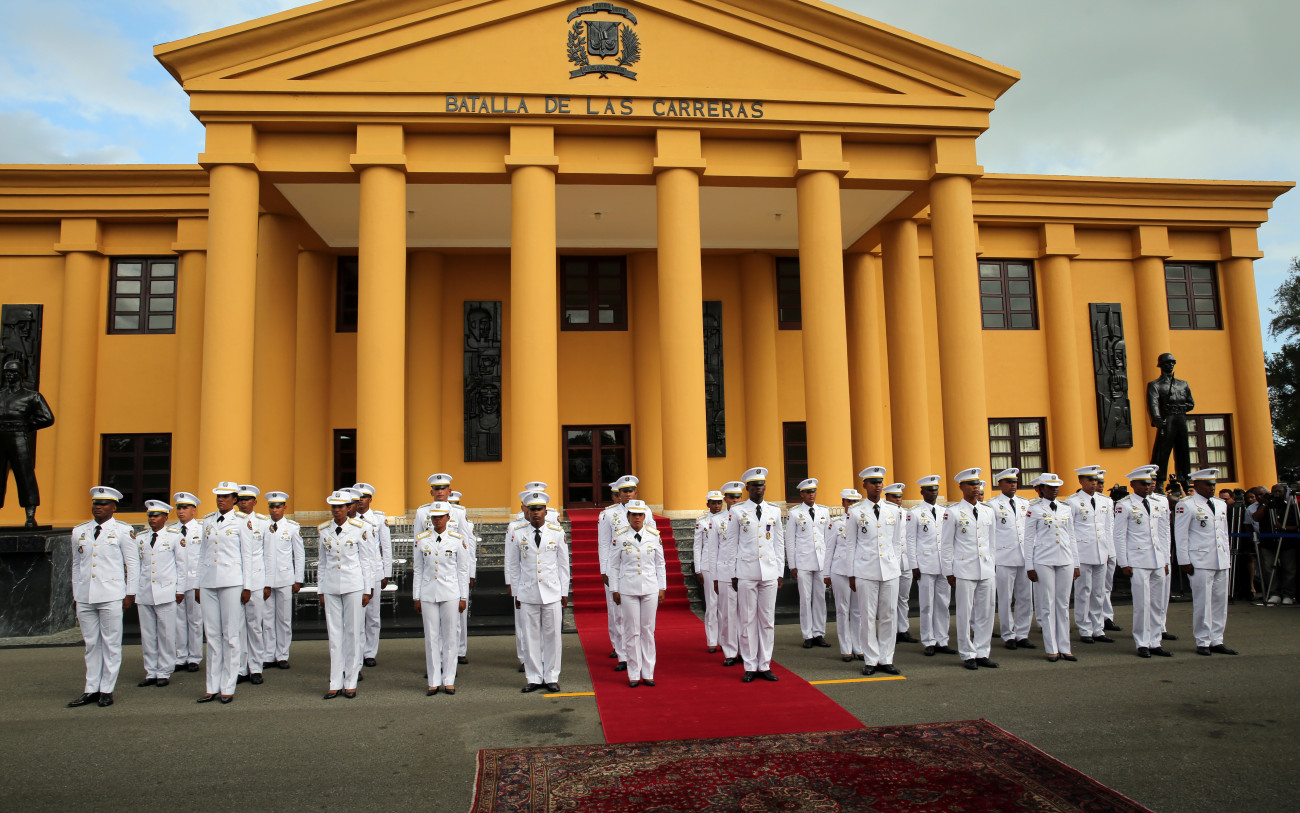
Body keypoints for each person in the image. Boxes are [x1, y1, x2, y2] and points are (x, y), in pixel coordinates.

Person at [67, 486, 138, 708]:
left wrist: (130, 593)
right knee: (91, 644)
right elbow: (76, 565)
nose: (98, 507)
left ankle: (107, 689)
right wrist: (76, 594)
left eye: (104, 503)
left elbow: (132, 564)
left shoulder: (123, 531)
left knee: (111, 643)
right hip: (85, 595)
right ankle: (91, 689)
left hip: (111, 594)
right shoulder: (79, 531)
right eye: (96, 503)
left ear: (114, 507)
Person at [722, 467, 785, 683]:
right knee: (747, 620)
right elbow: (732, 544)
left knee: (767, 620)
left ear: (765, 487)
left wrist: (779, 572)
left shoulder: (773, 511)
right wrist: (733, 573)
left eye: (761, 485)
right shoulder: (737, 511)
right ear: (747, 488)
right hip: (746, 571)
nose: (759, 489)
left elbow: (778, 543)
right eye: (755, 486)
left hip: (769, 571)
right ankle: (749, 665)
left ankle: (764, 664)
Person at [196, 482, 254, 704]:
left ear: (234, 499)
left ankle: (228, 686)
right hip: (209, 580)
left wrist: (247, 586)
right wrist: (198, 584)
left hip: (231, 581)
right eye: (218, 496)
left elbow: (247, 555)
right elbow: (202, 553)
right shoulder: (208, 520)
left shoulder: (241, 521)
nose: (221, 500)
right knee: (212, 635)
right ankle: (212, 686)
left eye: (225, 496)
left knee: (230, 635)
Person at [507, 491, 570, 693]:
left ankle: (551, 676)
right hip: (527, 592)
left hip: (552, 591)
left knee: (553, 637)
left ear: (545, 511)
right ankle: (534, 677)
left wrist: (564, 591)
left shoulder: (557, 532)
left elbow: (563, 565)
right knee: (530, 637)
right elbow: (514, 565)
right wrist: (516, 593)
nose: (536, 513)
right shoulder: (518, 533)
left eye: (539, 509)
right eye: (532, 509)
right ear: (527, 511)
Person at [846, 466, 904, 676]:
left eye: (880, 482)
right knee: (868, 616)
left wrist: (896, 566)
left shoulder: (893, 510)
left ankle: (886, 658)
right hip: (865, 569)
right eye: (873, 482)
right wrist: (851, 573)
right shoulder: (855, 511)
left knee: (889, 615)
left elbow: (896, 542)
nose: (877, 486)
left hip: (889, 569)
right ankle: (871, 659)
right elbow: (851, 544)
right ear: (865, 485)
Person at [318, 490, 374, 699]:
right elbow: (322, 563)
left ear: (348, 507)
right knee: (334, 636)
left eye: (340, 507)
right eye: (334, 507)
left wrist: (367, 589)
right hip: (331, 585)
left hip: (353, 585)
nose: (337, 510)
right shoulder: (324, 530)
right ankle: (335, 682)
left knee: (352, 633)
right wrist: (321, 589)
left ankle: (350, 681)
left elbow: (366, 561)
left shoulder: (360, 528)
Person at [1175, 469, 1238, 656]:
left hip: (1220, 559)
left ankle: (1217, 639)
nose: (1212, 488)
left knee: (1220, 602)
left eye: (1213, 484)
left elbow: (1223, 533)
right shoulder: (1187, 505)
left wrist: (1226, 556)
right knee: (1203, 603)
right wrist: (1184, 560)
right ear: (1197, 485)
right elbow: (1181, 535)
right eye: (1208, 484)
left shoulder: (1220, 504)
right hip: (1200, 560)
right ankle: (1203, 640)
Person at [598, 475, 656, 672]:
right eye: (624, 491)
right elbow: (604, 544)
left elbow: (652, 539)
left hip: (638, 567)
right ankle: (622, 653)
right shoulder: (608, 514)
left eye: (631, 491)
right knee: (617, 613)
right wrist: (604, 570)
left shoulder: (645, 511)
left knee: (639, 619)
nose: (628, 494)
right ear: (619, 494)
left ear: (635, 493)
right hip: (617, 568)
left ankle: (638, 655)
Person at [941, 469, 998, 670]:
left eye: (977, 484)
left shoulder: (988, 511)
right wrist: (948, 571)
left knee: (986, 612)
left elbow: (992, 542)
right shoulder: (953, 512)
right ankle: (967, 653)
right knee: (965, 613)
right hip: (964, 569)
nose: (976, 488)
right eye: (971, 484)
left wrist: (992, 564)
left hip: (986, 568)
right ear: (961, 487)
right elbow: (946, 544)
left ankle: (983, 651)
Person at [1114, 466, 1173, 657]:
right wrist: (1124, 563)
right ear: (1133, 484)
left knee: (1157, 603)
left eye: (1149, 483)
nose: (1147, 487)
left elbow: (1163, 533)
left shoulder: (1158, 503)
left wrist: (1166, 559)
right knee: (1142, 604)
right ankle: (1142, 642)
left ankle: (1155, 641)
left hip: (1157, 559)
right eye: (1143, 484)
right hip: (1138, 560)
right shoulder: (1125, 505)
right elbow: (1119, 536)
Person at [412, 501, 470, 695]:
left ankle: (449, 679)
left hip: (451, 592)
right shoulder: (421, 539)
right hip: (428, 591)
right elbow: (418, 569)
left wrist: (463, 596)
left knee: (450, 637)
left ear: (448, 518)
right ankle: (434, 680)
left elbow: (462, 570)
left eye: (441, 517)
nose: (437, 520)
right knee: (431, 637)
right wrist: (416, 596)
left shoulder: (457, 539)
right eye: (434, 517)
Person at [610, 500, 666, 687]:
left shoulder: (654, 535)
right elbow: (614, 565)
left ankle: (648, 672)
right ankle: (634, 673)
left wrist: (662, 587)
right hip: (628, 587)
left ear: (645, 516)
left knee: (647, 630)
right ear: (628, 517)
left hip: (650, 587)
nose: (637, 518)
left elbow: (660, 563)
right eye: (633, 514)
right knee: (631, 631)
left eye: (640, 514)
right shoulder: (620, 537)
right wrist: (614, 588)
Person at [1025, 474, 1080, 663]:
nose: (1054, 490)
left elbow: (1071, 537)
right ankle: (1052, 648)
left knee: (1063, 605)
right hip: (1044, 560)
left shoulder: (1066, 508)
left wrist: (1076, 563)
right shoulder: (1034, 509)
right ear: (1041, 489)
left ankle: (1065, 647)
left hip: (1065, 558)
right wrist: (1029, 566)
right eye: (1050, 487)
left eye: (1056, 486)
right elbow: (1028, 539)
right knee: (1047, 605)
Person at [0, 357, 55, 528]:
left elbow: (47, 418)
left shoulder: (32, 396)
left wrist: (27, 426)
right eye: (7, 372)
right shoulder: (0, 395)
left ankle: (30, 516)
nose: (9, 375)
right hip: (0, 437)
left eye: (13, 372)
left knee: (25, 476)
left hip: (18, 437)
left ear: (21, 374)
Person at [136, 499, 183, 688]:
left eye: (156, 515)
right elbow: (137, 566)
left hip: (166, 591)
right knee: (148, 635)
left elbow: (181, 565)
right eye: (150, 515)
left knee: (166, 634)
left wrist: (180, 589)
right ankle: (151, 671)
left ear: (165, 517)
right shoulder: (141, 538)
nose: (152, 519)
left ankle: (164, 670)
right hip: (145, 592)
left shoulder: (174, 537)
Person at [1066, 466, 1114, 645]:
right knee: (1083, 591)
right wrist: (1074, 558)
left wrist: (1109, 551)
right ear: (1081, 481)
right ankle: (1085, 628)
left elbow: (1108, 529)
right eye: (1090, 480)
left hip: (1101, 551)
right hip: (1083, 553)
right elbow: (1070, 531)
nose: (1094, 483)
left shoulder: (1106, 501)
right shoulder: (1073, 502)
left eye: (1095, 480)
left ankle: (1098, 628)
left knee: (1099, 592)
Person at [987, 468, 1034, 650]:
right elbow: (989, 534)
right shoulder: (992, 505)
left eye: (1014, 482)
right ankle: (1008, 634)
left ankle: (1023, 634)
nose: (1013, 485)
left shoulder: (1025, 503)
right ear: (1000, 484)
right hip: (1004, 557)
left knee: (1025, 597)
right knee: (1005, 598)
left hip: (1024, 556)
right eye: (1008, 482)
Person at [905, 476, 953, 657]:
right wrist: (914, 565)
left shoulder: (945, 512)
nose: (933, 493)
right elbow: (910, 540)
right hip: (925, 565)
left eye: (935, 489)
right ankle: (929, 640)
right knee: (926, 605)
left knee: (943, 604)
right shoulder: (915, 513)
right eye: (929, 490)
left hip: (943, 564)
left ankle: (942, 640)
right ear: (922, 492)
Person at [786, 478, 831, 649]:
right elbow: (790, 540)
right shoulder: (794, 513)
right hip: (803, 561)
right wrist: (793, 565)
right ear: (802, 494)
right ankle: (807, 634)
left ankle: (819, 633)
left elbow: (828, 538)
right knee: (805, 599)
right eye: (808, 492)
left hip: (821, 561)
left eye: (813, 491)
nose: (811, 494)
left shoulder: (824, 511)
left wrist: (829, 563)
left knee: (820, 598)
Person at [261, 492, 304, 669]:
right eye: (272, 506)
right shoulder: (262, 526)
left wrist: (298, 579)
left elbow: (299, 554)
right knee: (267, 619)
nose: (274, 510)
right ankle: (268, 654)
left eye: (278, 506)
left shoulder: (292, 527)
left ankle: (282, 655)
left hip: (286, 578)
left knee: (284, 619)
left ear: (284, 508)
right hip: (266, 580)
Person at [353, 482, 393, 668]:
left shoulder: (378, 519)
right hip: (355, 572)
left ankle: (370, 652)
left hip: (375, 571)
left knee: (373, 615)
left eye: (364, 497)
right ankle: (357, 651)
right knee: (357, 615)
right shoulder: (350, 518)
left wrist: (386, 572)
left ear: (370, 499)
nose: (361, 500)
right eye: (358, 497)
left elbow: (386, 546)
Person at [823, 488, 864, 662]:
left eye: (855, 502)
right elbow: (828, 549)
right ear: (843, 503)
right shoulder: (835, 524)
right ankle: (846, 647)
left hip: (859, 570)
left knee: (858, 611)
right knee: (842, 610)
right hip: (840, 570)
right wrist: (826, 573)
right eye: (849, 502)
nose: (852, 505)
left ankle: (858, 646)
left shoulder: (864, 522)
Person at [234, 485, 269, 684]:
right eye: (241, 499)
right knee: (237, 627)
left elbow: (268, 555)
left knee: (255, 626)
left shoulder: (263, 523)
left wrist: (268, 583)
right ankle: (240, 668)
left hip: (256, 580)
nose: (243, 503)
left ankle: (255, 667)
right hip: (235, 580)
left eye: (247, 499)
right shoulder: (231, 521)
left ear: (255, 502)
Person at [1147, 353, 1195, 487]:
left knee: (1183, 450)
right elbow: (1153, 404)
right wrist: (1157, 419)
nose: (1171, 365)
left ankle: (1185, 478)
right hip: (1167, 419)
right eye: (1168, 363)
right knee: (1162, 451)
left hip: (1180, 418)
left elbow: (1191, 403)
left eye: (1173, 362)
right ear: (1161, 365)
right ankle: (1158, 480)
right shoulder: (1155, 385)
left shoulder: (1183, 384)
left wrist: (1180, 407)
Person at [711, 481, 746, 666]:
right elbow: (713, 551)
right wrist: (715, 577)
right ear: (725, 499)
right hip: (725, 571)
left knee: (746, 614)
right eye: (732, 497)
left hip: (745, 571)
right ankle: (731, 652)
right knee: (728, 614)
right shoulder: (717, 520)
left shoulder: (748, 517)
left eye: (738, 497)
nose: (736, 500)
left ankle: (746, 650)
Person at [171, 492, 203, 673]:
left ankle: (194, 657)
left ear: (194, 510)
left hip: (195, 581)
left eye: (185, 508)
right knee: (178, 621)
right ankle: (180, 656)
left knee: (195, 621)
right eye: (179, 508)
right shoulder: (171, 531)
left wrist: (200, 584)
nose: (181, 511)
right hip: (176, 582)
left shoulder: (201, 530)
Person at [882, 482, 917, 646]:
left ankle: (903, 629)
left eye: (900, 497)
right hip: (891, 562)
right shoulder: (884, 514)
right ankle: (891, 630)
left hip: (906, 561)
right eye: (894, 497)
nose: (898, 499)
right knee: (890, 600)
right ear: (887, 497)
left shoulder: (908, 514)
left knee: (903, 598)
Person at [446, 489, 478, 665]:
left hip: (460, 571)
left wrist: (471, 574)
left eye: (454, 505)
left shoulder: (466, 524)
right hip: (445, 571)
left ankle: (460, 650)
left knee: (460, 615)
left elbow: (469, 550)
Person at [1253, 483, 1298, 605]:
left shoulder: (1290, 506)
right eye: (1275, 492)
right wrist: (1265, 504)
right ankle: (1274, 593)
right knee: (1269, 568)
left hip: (1287, 543)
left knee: (1289, 569)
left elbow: (1297, 526)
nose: (1277, 494)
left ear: (1285, 493)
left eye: (1280, 492)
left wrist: (1284, 527)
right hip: (1268, 543)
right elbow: (1256, 518)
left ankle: (1288, 594)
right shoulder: (1265, 506)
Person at [692, 490, 725, 653]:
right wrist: (698, 569)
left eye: (719, 503)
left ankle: (725, 639)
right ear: (708, 504)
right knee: (712, 604)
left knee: (725, 605)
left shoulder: (728, 519)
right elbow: (697, 546)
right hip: (708, 566)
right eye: (714, 503)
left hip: (724, 565)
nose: (717, 506)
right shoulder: (702, 522)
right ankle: (712, 640)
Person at [1094, 470, 1122, 633]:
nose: (1100, 485)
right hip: (1093, 550)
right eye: (1098, 482)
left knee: (1106, 587)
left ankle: (1106, 617)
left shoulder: (1107, 501)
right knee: (1094, 588)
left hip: (1108, 548)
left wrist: (1112, 550)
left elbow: (1111, 527)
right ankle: (1093, 619)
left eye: (1102, 483)